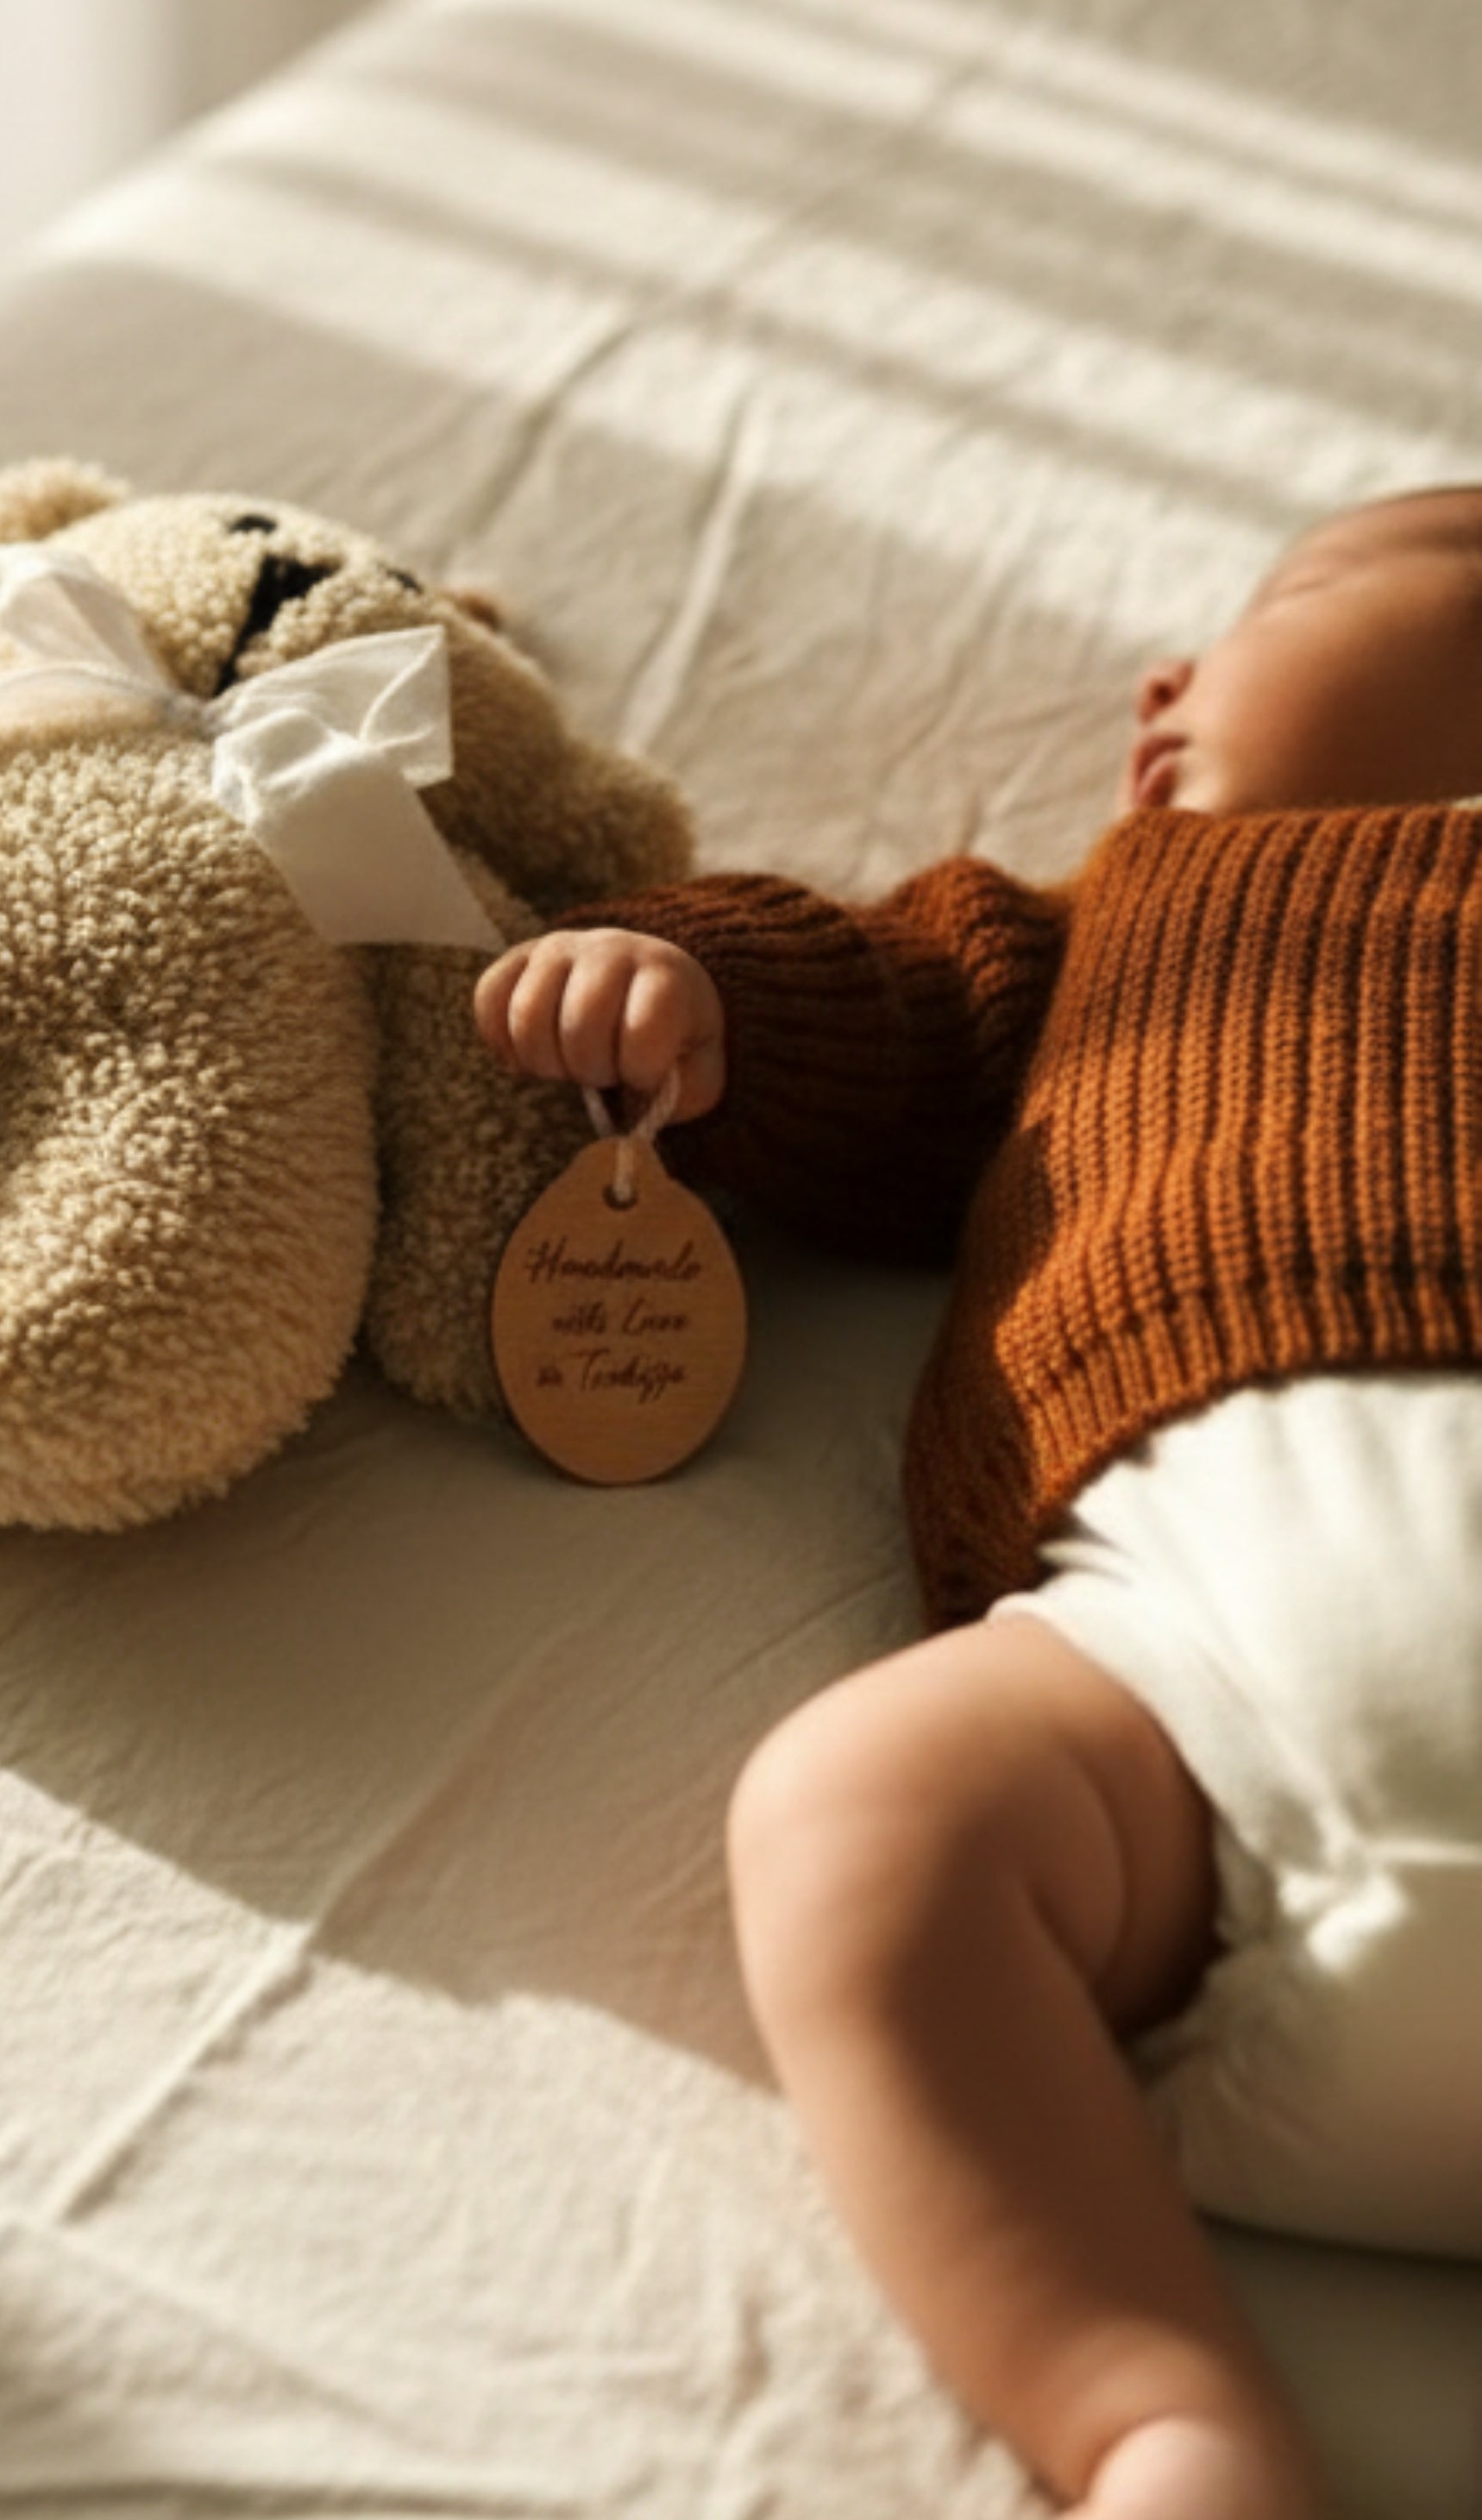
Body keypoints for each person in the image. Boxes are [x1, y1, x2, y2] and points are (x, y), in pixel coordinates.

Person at [475, 485, 1482, 2520]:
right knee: (867, 1811)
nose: (1172, 671)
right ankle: (1153, 2411)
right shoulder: (1111, 932)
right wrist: (681, 1002)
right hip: (1195, 1709)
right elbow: (867, 1017)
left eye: (1339, 584)